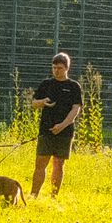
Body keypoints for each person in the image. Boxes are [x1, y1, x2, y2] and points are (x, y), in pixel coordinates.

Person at [31, 52, 83, 197]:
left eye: (59, 68)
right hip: (46, 130)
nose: (56, 71)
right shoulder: (46, 84)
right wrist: (42, 102)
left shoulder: (73, 86)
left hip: (64, 132)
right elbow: (34, 103)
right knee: (40, 164)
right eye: (54, 68)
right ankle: (34, 195)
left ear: (66, 68)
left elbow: (76, 108)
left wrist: (62, 125)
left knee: (58, 164)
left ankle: (54, 196)